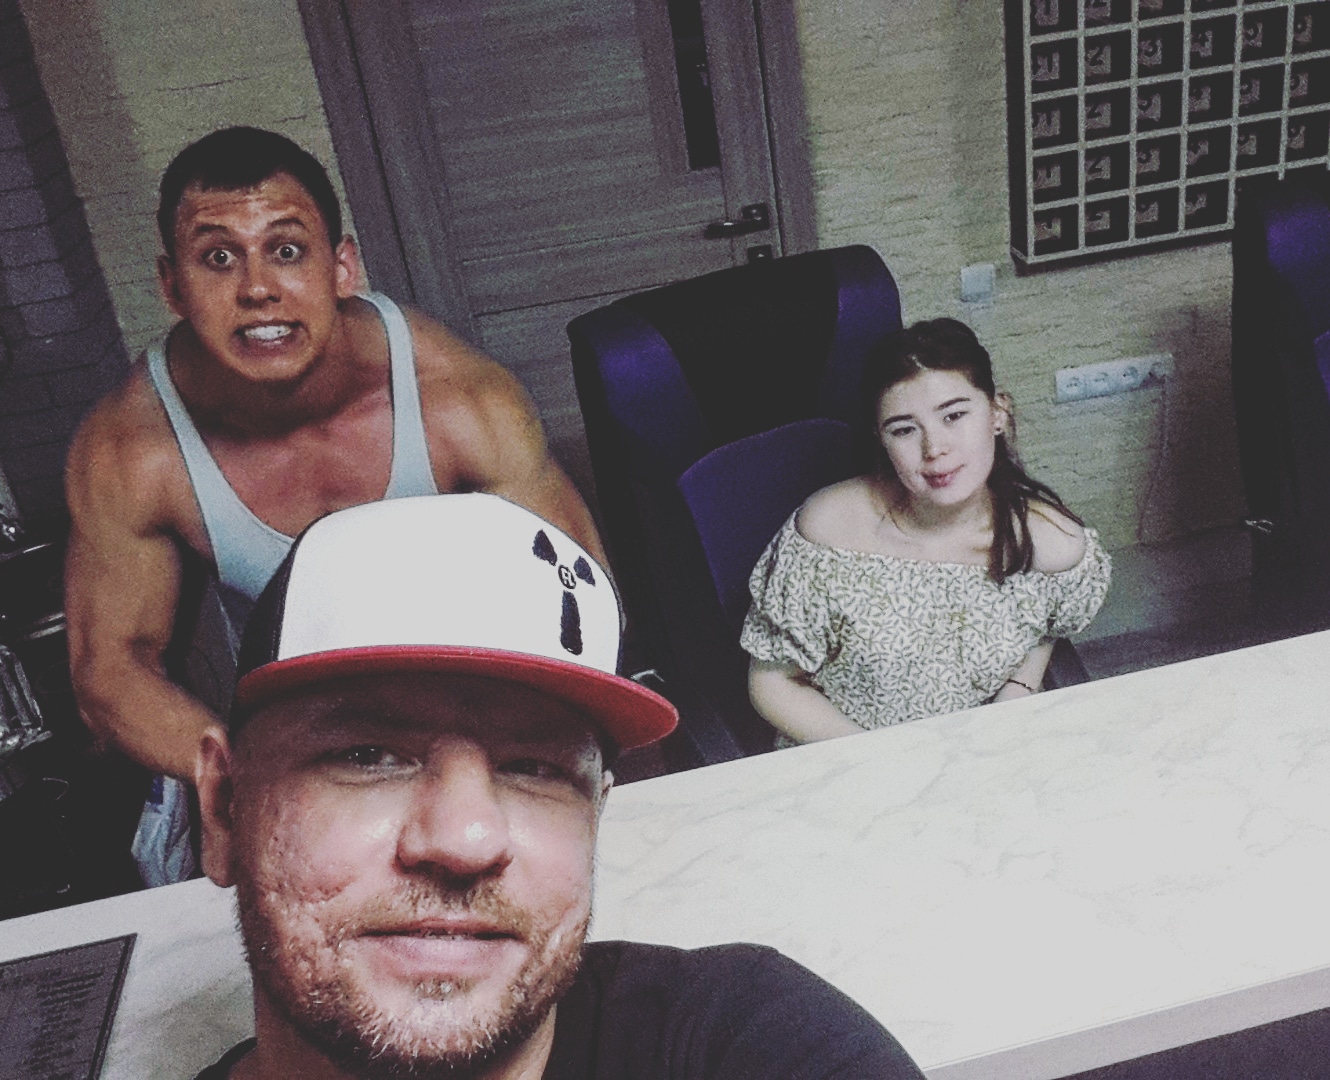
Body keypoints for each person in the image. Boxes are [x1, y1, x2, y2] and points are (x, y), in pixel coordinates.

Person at [191, 492, 924, 1080]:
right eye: (368, 754)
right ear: (224, 808)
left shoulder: (742, 1035)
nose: (467, 840)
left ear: (597, 816)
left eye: (535, 768)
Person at [64, 128, 601, 880]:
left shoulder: (461, 402)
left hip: (480, 694)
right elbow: (108, 671)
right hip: (300, 722)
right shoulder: (132, 449)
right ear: (172, 286)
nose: (257, 289)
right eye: (218, 258)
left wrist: (500, 757)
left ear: (342, 266)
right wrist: (245, 773)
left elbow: (580, 598)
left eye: (286, 250)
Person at [741, 318, 1111, 744]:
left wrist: (1019, 687)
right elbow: (772, 684)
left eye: (953, 415)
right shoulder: (828, 531)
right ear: (881, 439)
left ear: (997, 413)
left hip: (983, 753)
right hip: (846, 753)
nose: (934, 448)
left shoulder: (1054, 545)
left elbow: (1047, 627)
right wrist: (885, 760)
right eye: (904, 429)